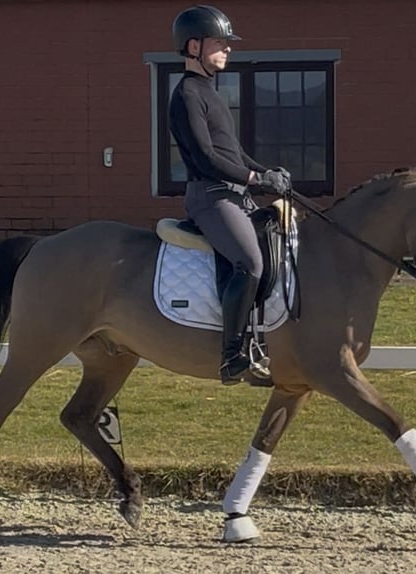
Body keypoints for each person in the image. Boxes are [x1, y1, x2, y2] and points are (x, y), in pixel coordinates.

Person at [169, 5, 291, 385]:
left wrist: (268, 173)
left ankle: (262, 337)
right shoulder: (187, 94)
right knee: (250, 263)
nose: (228, 50)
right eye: (220, 43)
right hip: (211, 197)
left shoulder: (210, 92)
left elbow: (232, 154)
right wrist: (256, 177)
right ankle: (232, 355)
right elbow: (206, 158)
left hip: (234, 194)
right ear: (194, 46)